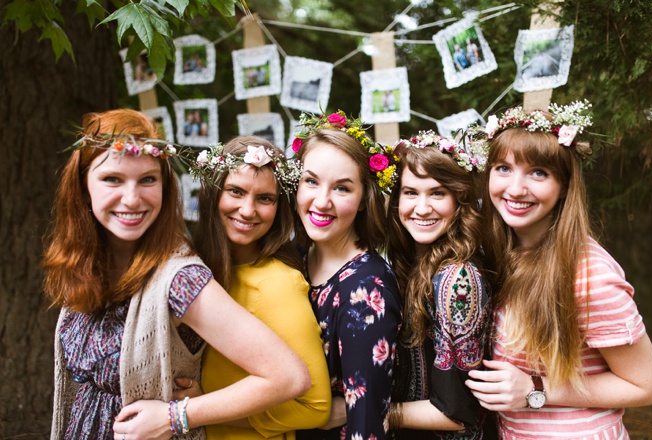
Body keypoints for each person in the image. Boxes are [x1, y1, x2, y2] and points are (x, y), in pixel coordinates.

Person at [43, 109, 311, 440]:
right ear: (83, 186)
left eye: (147, 180)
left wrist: (177, 416)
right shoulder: (86, 264)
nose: (132, 198)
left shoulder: (180, 279)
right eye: (112, 178)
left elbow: (288, 376)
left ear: (165, 187)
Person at [465, 101, 652, 438]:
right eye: (503, 168)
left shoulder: (589, 275)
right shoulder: (500, 253)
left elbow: (647, 386)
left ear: (565, 185)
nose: (515, 188)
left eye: (538, 172)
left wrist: (535, 389)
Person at [181, 136, 332, 439]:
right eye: (235, 191)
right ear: (213, 194)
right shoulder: (192, 270)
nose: (247, 210)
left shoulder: (277, 284)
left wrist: (199, 409)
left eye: (264, 198)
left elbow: (315, 406)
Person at [291, 111, 402, 440]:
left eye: (342, 188)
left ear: (364, 200)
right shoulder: (294, 257)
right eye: (311, 181)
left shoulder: (367, 289)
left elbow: (367, 425)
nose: (321, 202)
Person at [386, 130, 494, 439]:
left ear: (459, 200)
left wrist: (371, 410)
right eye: (410, 193)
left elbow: (458, 415)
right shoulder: (407, 261)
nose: (421, 208)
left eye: (437, 193)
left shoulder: (458, 280)